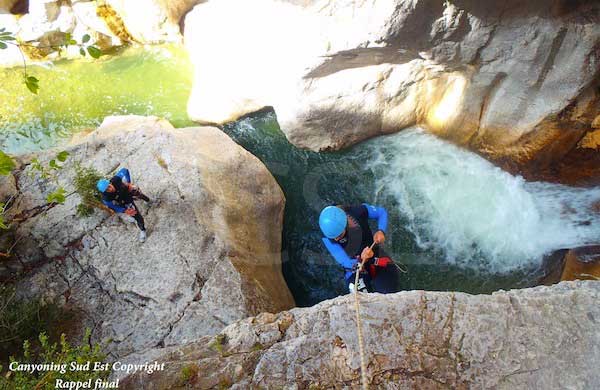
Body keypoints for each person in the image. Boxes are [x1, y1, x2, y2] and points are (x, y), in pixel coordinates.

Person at [319, 204, 399, 294]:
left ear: (345, 224)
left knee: (388, 294)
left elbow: (381, 212)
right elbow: (344, 260)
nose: (336, 239)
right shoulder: (328, 236)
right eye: (333, 237)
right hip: (355, 268)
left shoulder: (358, 211)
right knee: (361, 301)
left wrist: (381, 231)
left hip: (375, 256)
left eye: (339, 236)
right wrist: (361, 259)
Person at [97, 168, 150, 243]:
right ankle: (143, 230)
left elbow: (125, 170)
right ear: (104, 192)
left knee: (137, 192)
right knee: (136, 215)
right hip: (124, 201)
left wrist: (129, 183)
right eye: (107, 190)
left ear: (110, 183)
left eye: (109, 186)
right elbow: (113, 207)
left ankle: (148, 201)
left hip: (127, 190)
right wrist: (124, 210)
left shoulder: (115, 179)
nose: (109, 189)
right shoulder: (106, 198)